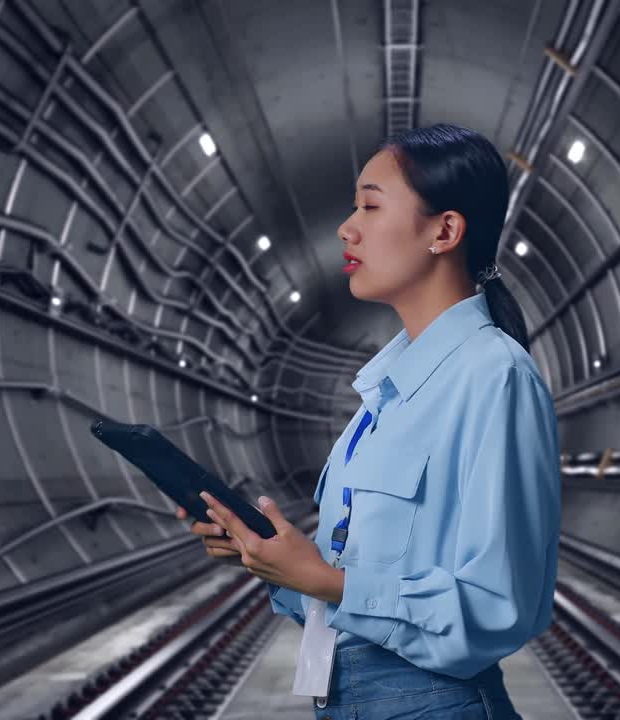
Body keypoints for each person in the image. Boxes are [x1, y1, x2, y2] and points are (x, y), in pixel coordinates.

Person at [175, 123, 561, 719]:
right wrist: (273, 562)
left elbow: (500, 606)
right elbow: (359, 595)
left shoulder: (494, 375)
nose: (346, 228)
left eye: (370, 206)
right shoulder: (383, 393)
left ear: (445, 231)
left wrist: (333, 584)